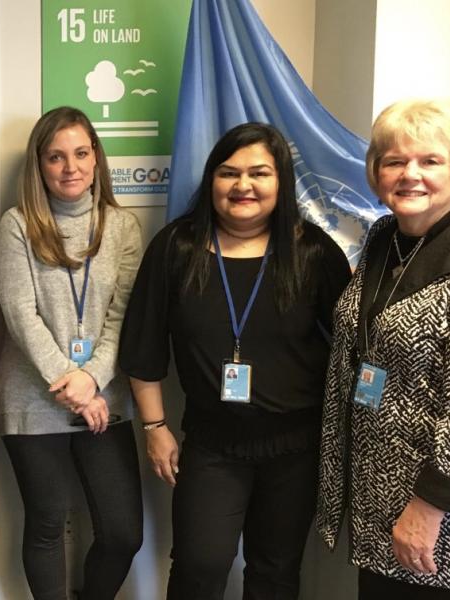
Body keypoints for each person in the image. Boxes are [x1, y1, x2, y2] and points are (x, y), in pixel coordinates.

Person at [119, 122, 351, 600]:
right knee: (198, 569)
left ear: (280, 182)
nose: (243, 185)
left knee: (275, 573)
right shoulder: (176, 247)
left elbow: (351, 347)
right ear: (211, 181)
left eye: (259, 173)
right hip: (212, 446)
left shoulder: (313, 252)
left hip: (295, 448)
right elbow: (143, 346)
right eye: (229, 173)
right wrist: (155, 427)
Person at [317, 99, 450, 599]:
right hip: (377, 496)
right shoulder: (383, 239)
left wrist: (430, 507)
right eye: (394, 161)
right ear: (375, 171)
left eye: (430, 161)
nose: (410, 174)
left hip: (442, 519)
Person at [0, 106, 143, 599]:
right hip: (33, 399)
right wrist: (70, 381)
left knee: (124, 533)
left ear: (97, 158)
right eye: (55, 157)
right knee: (47, 523)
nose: (70, 167)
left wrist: (92, 379)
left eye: (81, 153)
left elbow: (124, 316)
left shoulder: (122, 228)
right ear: (39, 165)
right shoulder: (17, 225)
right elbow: (19, 314)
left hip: (103, 399)